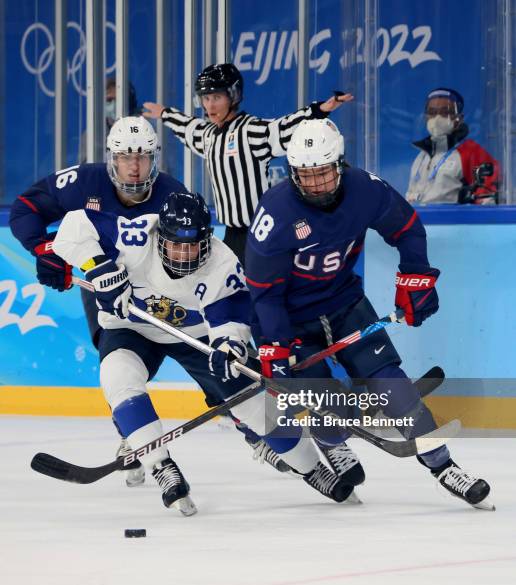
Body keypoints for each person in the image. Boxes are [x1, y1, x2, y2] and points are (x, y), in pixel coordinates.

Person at [52, 192, 359, 513]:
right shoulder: (135, 236)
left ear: (206, 240)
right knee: (118, 376)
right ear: (160, 237)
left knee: (252, 400)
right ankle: (161, 466)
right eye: (176, 245)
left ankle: (311, 467)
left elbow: (229, 317)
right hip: (131, 328)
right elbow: (73, 227)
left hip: (193, 335)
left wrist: (229, 346)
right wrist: (97, 265)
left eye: (193, 245)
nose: (185, 255)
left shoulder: (222, 263)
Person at [245, 118, 493, 510]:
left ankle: (444, 465)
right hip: (291, 320)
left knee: (395, 388)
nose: (315, 185)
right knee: (330, 404)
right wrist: (275, 344)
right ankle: (333, 442)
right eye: (305, 176)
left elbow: (408, 228)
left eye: (324, 173)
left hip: (346, 304)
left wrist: (416, 277)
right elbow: (264, 293)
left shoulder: (364, 189)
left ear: (339, 165)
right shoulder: (274, 215)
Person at [9, 116, 188, 486]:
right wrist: (47, 250)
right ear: (112, 158)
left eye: (142, 158)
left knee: (214, 363)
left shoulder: (174, 192)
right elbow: (26, 206)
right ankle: (132, 431)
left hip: (162, 291)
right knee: (116, 364)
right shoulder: (82, 183)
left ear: (155, 158)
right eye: (126, 157)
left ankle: (261, 435)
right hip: (103, 280)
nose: (134, 167)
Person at [143, 63, 353, 264]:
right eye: (206, 98)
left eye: (217, 97)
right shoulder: (209, 135)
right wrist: (165, 113)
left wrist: (318, 110)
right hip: (230, 235)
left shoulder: (250, 131)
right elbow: (188, 128)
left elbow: (283, 128)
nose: (210, 105)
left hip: (261, 231)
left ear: (233, 96)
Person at [406, 87, 499, 204]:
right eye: (432, 112)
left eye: (445, 112)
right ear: (425, 117)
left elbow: (488, 199)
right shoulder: (421, 157)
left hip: (453, 221)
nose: (437, 118)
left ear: (459, 118)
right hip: (419, 220)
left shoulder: (471, 152)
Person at [79, 77, 140, 163]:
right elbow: (85, 170)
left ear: (130, 102)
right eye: (109, 100)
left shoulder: (145, 130)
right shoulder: (91, 135)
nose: (114, 105)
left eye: (119, 100)